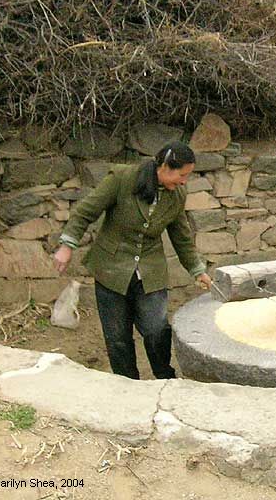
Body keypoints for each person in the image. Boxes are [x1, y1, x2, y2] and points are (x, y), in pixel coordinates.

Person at [53, 140, 212, 380]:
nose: (184, 181)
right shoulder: (122, 178)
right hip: (111, 269)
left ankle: (164, 378)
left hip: (150, 269)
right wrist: (67, 246)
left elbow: (181, 236)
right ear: (166, 167)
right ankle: (127, 383)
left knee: (156, 329)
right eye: (182, 175)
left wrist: (197, 269)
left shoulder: (177, 194)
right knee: (117, 337)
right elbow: (86, 211)